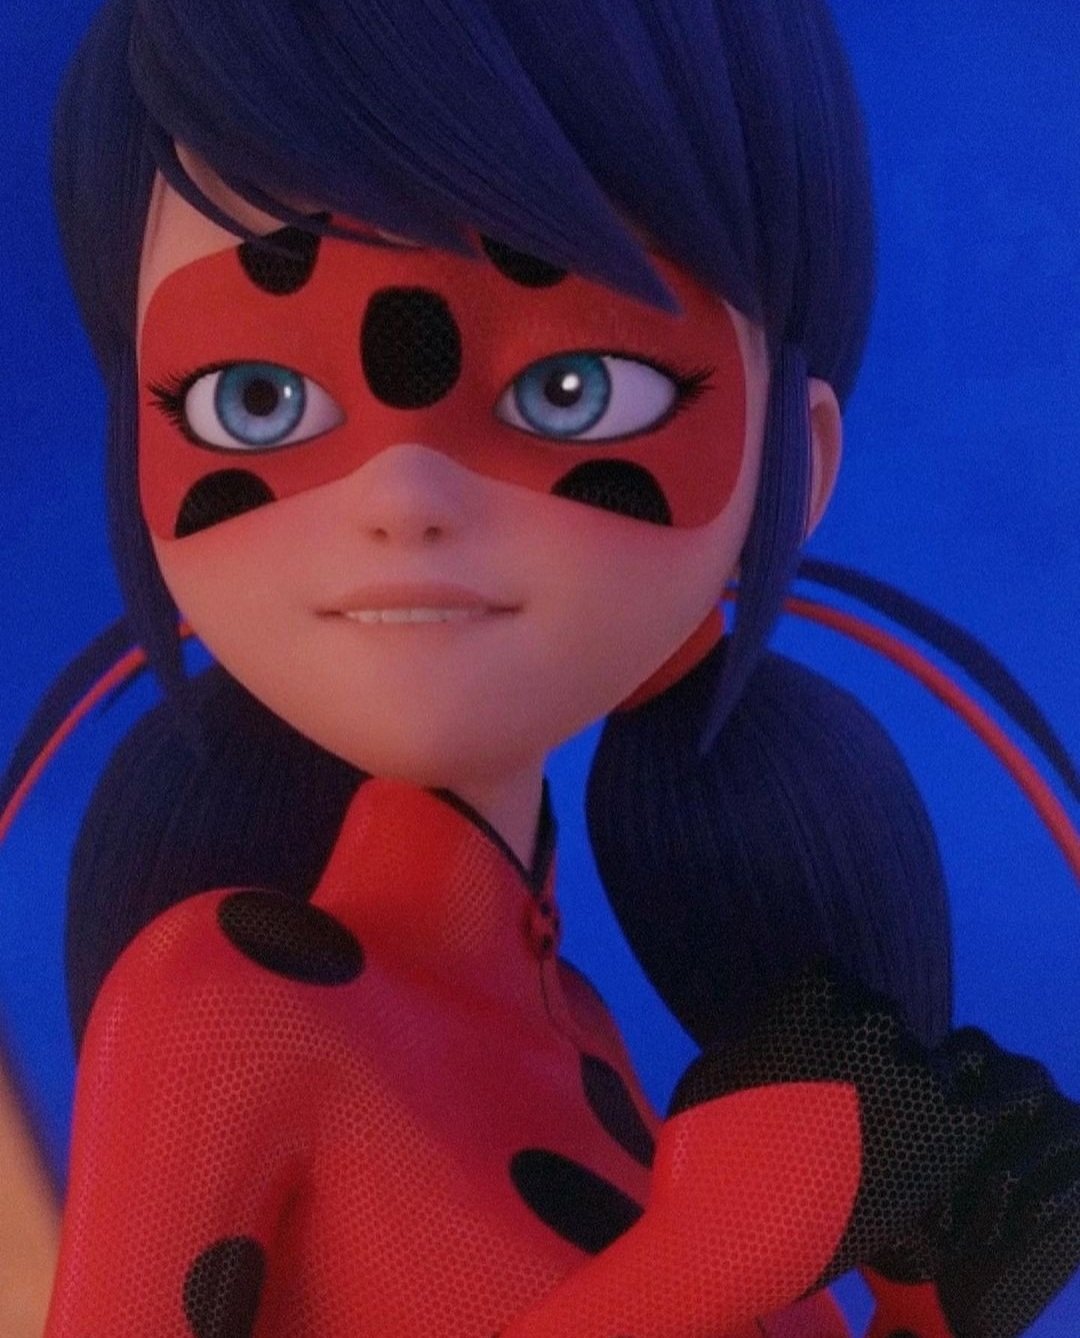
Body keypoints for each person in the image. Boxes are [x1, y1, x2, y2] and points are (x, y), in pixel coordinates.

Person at [2, 1, 1076, 1334]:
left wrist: (934, 1309)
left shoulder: (596, 1056)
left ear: (791, 468)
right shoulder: (220, 1010)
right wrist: (699, 1266)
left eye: (575, 388)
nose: (404, 493)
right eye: (256, 400)